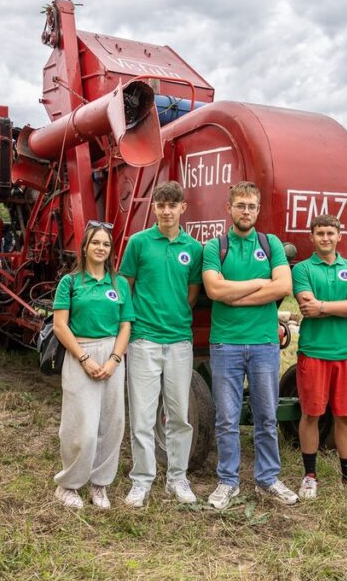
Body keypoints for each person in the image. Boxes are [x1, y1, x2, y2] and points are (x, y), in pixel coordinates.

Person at [202, 181, 297, 509]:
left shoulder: (270, 244)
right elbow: (214, 290)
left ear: (258, 210)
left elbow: (283, 285)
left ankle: (267, 479)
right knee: (226, 418)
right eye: (240, 205)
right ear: (228, 208)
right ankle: (227, 481)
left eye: (252, 206)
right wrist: (260, 284)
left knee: (266, 416)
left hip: (264, 344)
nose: (246, 211)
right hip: (225, 344)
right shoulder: (215, 247)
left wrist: (236, 294)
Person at [119, 181, 203, 507]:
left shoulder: (193, 249)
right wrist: (133, 327)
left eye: (173, 205)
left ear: (183, 208)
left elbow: (192, 293)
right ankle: (141, 481)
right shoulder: (139, 243)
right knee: (141, 416)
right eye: (161, 205)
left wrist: (177, 315)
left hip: (180, 341)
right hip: (144, 341)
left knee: (179, 416)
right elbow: (126, 286)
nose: (167, 211)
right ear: (154, 208)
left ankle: (178, 479)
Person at [52, 221, 135, 509]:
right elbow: (60, 326)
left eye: (106, 244)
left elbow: (126, 326)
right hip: (80, 351)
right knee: (81, 425)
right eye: (95, 243)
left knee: (112, 423)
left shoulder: (119, 283)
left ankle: (100, 485)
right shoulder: (71, 282)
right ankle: (68, 485)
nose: (101, 248)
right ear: (85, 247)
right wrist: (85, 359)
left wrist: (114, 360)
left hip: (113, 353)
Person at [292, 214, 347, 499]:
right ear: (312, 237)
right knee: (311, 413)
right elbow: (305, 305)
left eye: (330, 233)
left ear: (339, 237)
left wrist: (323, 306)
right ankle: (309, 475)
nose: (325, 238)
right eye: (320, 233)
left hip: (346, 353)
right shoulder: (302, 269)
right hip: (313, 352)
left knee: (345, 416)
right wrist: (341, 305)